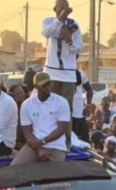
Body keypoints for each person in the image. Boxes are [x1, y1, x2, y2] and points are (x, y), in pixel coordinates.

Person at [42, 0, 83, 147]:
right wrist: (60, 19)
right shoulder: (48, 21)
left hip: (68, 75)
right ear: (54, 9)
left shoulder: (74, 25)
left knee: (66, 109)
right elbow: (47, 33)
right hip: (51, 73)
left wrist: (70, 40)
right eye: (59, 8)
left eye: (65, 8)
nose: (62, 10)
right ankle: (49, 139)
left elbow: (79, 48)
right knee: (50, 107)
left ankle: (66, 143)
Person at [10, 72, 70, 165]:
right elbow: (27, 131)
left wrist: (42, 141)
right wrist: (39, 149)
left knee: (56, 177)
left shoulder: (61, 102)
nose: (47, 87)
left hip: (56, 147)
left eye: (49, 84)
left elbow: (62, 129)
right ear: (36, 86)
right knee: (14, 169)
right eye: (43, 85)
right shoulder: (27, 105)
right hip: (33, 146)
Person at [72, 67, 92, 142]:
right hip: (67, 117)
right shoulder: (60, 73)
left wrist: (88, 105)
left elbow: (89, 90)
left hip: (79, 116)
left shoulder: (80, 73)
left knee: (85, 142)